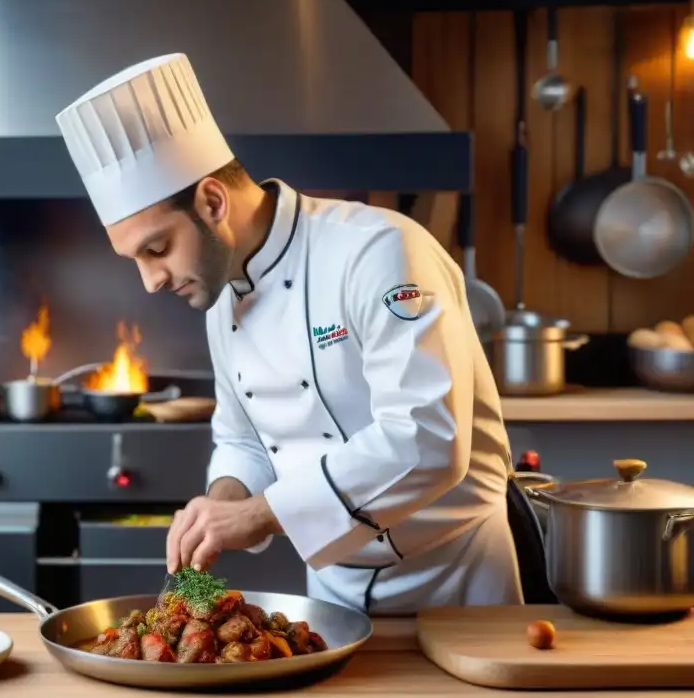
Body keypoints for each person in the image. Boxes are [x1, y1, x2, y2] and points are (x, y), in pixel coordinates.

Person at [55, 53, 523, 614]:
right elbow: (243, 439)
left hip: (457, 581)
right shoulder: (220, 300)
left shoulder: (377, 252)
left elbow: (426, 439)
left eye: (156, 249)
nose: (150, 281)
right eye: (134, 259)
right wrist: (218, 506)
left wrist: (256, 515)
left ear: (211, 201)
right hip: (334, 592)